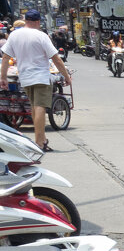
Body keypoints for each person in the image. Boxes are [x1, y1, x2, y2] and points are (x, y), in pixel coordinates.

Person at [0, 9, 72, 152]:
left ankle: (41, 139)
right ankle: (39, 142)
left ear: (25, 20)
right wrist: (66, 76)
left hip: (24, 77)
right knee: (40, 106)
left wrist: (3, 77)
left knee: (34, 106)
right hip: (40, 77)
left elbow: (6, 57)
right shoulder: (41, 36)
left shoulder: (14, 35)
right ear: (38, 21)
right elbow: (56, 58)